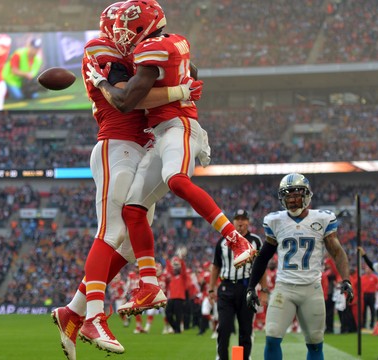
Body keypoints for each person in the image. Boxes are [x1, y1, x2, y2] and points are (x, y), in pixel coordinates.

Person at [50, 3, 203, 358]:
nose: (124, 35)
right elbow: (128, 100)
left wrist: (175, 65)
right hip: (117, 144)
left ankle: (72, 310)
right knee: (110, 231)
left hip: (142, 148)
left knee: (132, 244)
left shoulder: (147, 49)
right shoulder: (100, 50)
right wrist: (180, 90)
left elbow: (186, 69)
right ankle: (93, 315)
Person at [85, 0, 256, 317]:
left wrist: (101, 82)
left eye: (127, 29)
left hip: (179, 126)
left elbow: (125, 101)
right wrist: (183, 85)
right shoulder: (165, 44)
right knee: (133, 211)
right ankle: (149, 285)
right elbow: (190, 72)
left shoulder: (155, 48)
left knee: (175, 180)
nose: (123, 36)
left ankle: (237, 240)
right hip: (158, 135)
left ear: (142, 26)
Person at [245, 173, 354, 360]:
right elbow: (263, 256)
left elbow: (337, 251)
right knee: (271, 336)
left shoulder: (322, 219)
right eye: (288, 196)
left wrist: (346, 279)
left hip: (311, 289)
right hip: (284, 288)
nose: (293, 200)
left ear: (307, 196)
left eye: (296, 195)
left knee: (315, 342)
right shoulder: (275, 221)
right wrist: (251, 286)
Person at [208, 209, 263, 360]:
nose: (240, 222)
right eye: (238, 219)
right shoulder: (222, 242)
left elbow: (261, 267)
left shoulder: (255, 241)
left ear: (248, 222)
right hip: (226, 287)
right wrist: (211, 288)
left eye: (243, 219)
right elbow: (216, 266)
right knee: (224, 328)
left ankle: (245, 357)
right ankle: (222, 357)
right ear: (233, 222)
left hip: (247, 288)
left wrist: (263, 289)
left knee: (246, 329)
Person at [362, 264, 378, 329]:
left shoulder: (374, 277)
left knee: (372, 310)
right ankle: (363, 324)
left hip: (371, 295)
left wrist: (376, 290)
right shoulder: (362, 277)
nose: (368, 270)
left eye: (369, 269)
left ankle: (372, 324)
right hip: (364, 295)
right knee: (364, 310)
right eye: (367, 269)